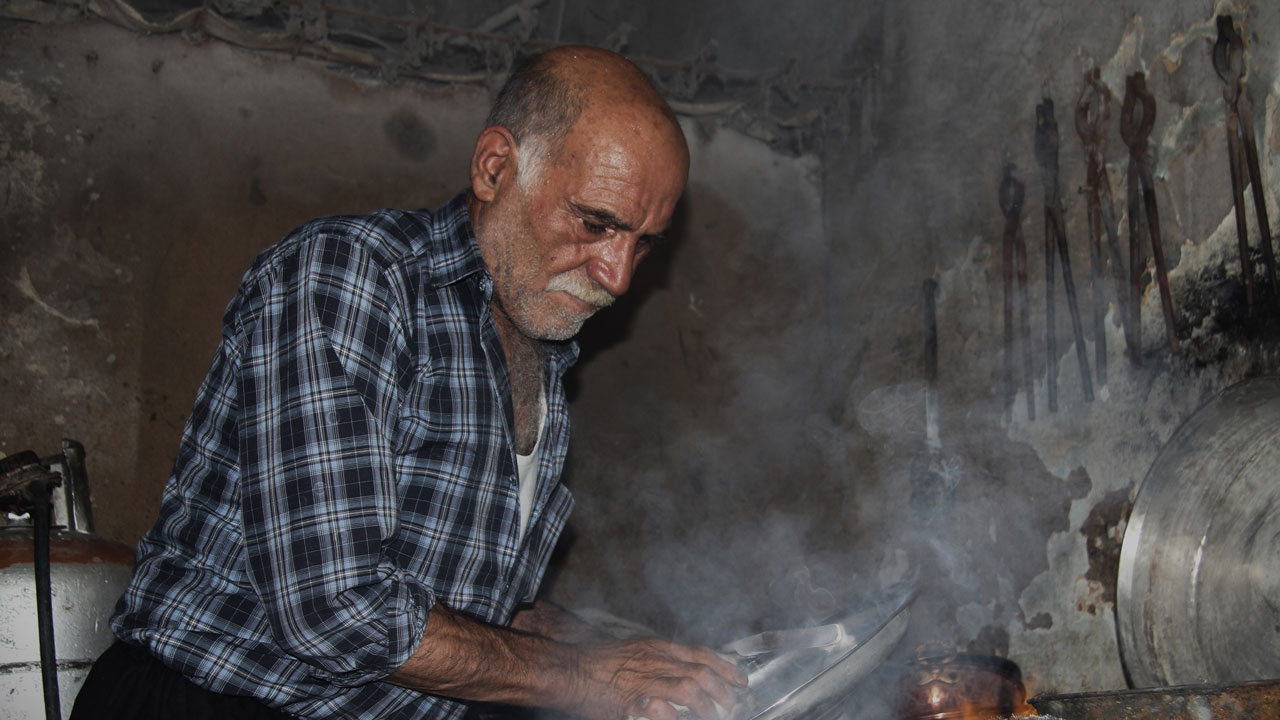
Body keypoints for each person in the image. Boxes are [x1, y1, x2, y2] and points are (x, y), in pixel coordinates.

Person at [70, 45, 747, 720]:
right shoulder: (352, 277)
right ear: (494, 168)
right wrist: (578, 674)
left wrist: (604, 651)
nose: (619, 275)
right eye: (596, 223)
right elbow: (333, 608)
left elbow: (452, 609)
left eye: (645, 242)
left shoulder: (542, 358)